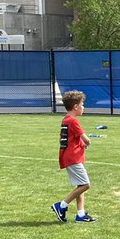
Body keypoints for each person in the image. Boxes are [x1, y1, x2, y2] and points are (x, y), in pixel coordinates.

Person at [52, 90, 96, 223]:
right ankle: (61, 205)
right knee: (86, 185)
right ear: (76, 107)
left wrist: (81, 144)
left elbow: (65, 139)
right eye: (82, 104)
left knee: (80, 184)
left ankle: (80, 214)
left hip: (71, 156)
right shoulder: (73, 121)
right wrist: (87, 142)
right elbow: (86, 139)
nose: (84, 107)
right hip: (73, 158)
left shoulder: (65, 120)